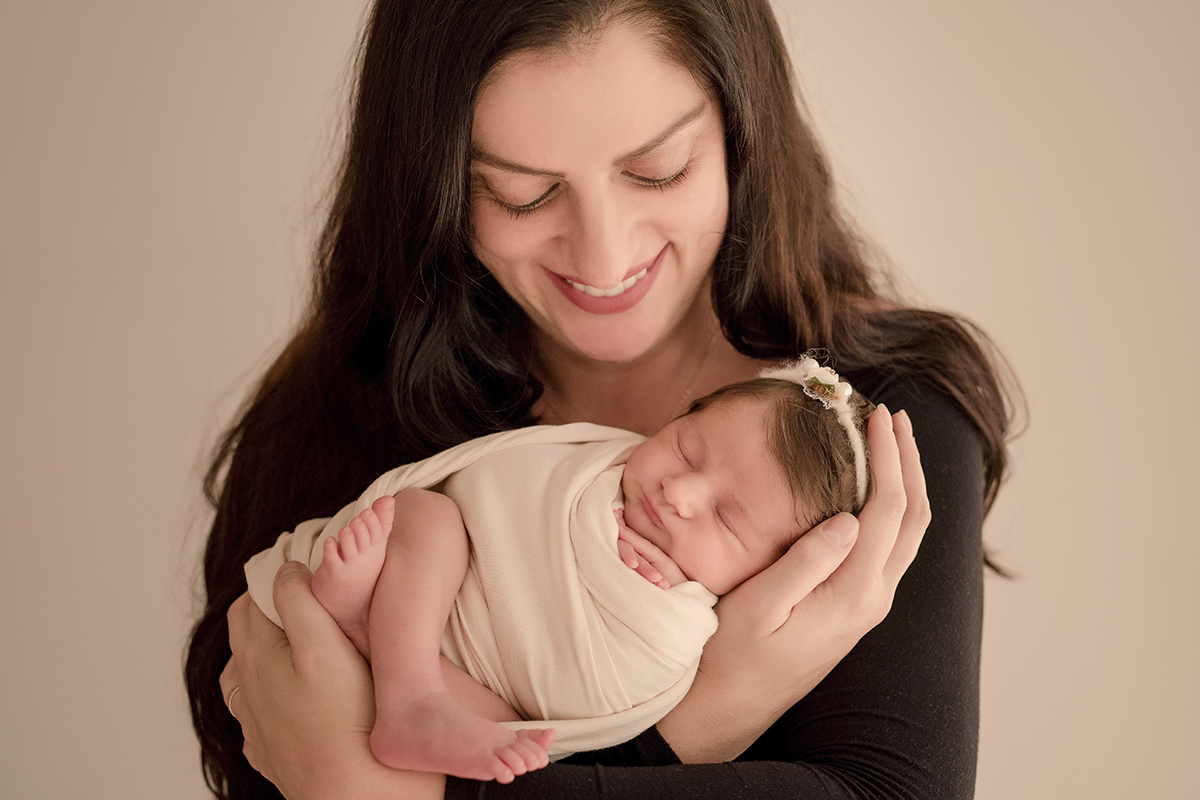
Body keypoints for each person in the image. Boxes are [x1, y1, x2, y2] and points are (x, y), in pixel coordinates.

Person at [187, 2, 1019, 798]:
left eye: (658, 170)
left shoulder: (871, 436)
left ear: (740, 130)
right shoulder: (340, 421)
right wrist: (700, 723)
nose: (602, 252)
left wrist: (366, 790)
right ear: (432, 185)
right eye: (523, 193)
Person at [241, 359, 875, 783]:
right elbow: (502, 492)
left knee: (521, 731)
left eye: (726, 519)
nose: (680, 493)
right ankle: (387, 661)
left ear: (771, 574)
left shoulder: (678, 623)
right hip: (424, 594)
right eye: (688, 446)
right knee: (428, 520)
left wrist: (645, 589)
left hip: (480, 681)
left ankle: (390, 669)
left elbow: (606, 702)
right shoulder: (598, 464)